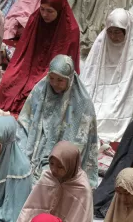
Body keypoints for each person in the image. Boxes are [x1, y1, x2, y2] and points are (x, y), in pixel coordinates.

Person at [0, 0, 80, 114]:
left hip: (53, 72)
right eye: (42, 9)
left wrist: (43, 76)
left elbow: (65, 65)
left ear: (59, 10)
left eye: (50, 11)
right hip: (29, 65)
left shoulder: (71, 30)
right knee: (7, 85)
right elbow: (23, 50)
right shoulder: (35, 18)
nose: (44, 14)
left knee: (38, 92)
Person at [16, 54, 98, 188]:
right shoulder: (41, 89)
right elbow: (25, 121)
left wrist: (59, 159)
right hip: (38, 143)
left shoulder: (82, 102)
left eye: (60, 80)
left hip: (64, 152)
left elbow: (81, 140)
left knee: (52, 179)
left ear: (70, 79)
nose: (54, 83)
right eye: (52, 78)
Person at [10, 141, 93, 222]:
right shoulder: (48, 177)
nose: (54, 170)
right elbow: (31, 208)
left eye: (60, 167)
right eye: (52, 164)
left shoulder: (82, 188)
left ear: (71, 165)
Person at [82, 9, 133, 141]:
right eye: (110, 31)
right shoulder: (101, 41)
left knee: (114, 115)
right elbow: (90, 73)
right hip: (101, 91)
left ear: (126, 30)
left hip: (124, 96)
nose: (113, 36)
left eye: (117, 32)